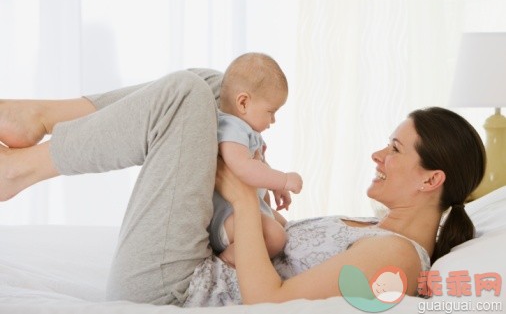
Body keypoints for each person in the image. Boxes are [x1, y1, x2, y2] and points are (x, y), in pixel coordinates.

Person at [0, 65, 485, 307]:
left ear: (432, 179)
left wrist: (239, 197)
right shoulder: (373, 229)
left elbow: (272, 303)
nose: (378, 156)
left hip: (175, 291)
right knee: (221, 86)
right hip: (197, 257)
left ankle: (22, 169)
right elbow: (270, 247)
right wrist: (251, 176)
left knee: (187, 94)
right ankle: (38, 115)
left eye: (395, 150)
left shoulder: (396, 258)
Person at [209, 53, 303, 267]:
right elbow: (242, 167)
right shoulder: (231, 127)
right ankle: (230, 256)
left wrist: (274, 187)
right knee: (276, 237)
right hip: (228, 218)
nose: (273, 120)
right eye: (271, 111)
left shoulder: (246, 131)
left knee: (284, 226)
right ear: (243, 102)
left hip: (249, 209)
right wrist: (283, 179)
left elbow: (258, 166)